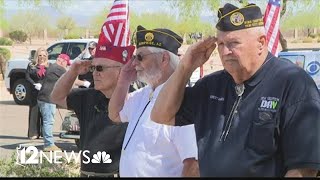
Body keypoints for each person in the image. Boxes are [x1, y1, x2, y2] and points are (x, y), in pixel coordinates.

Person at [151, 3, 320, 177]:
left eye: (233, 43)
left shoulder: (293, 83)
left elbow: (303, 168)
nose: (225, 51)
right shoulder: (211, 85)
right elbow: (160, 115)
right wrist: (185, 67)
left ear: (261, 43)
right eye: (221, 44)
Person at [108, 25, 199, 177]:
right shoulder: (144, 94)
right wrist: (123, 82)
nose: (134, 63)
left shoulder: (181, 101)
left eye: (140, 57)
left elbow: (193, 164)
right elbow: (115, 114)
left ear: (164, 59)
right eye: (134, 57)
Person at [50, 28, 135, 177]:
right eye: (93, 67)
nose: (95, 72)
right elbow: (56, 97)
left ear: (121, 71)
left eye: (100, 68)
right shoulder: (88, 96)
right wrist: (73, 71)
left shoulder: (135, 100)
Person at [37, 54, 71, 151]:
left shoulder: (52, 67)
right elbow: (71, 79)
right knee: (48, 121)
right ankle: (48, 144)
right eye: (66, 64)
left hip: (43, 97)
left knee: (47, 121)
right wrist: (84, 83)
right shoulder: (58, 68)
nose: (66, 66)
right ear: (62, 61)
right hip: (47, 99)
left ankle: (48, 142)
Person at [25, 47, 49, 139]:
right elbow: (27, 76)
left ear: (46, 56)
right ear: (37, 56)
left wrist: (43, 85)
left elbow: (50, 77)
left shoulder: (49, 66)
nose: (42, 57)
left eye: (44, 55)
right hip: (34, 91)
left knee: (45, 112)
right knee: (34, 112)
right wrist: (34, 84)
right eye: (40, 55)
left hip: (45, 92)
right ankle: (33, 133)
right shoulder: (31, 65)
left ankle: (44, 132)